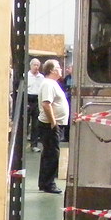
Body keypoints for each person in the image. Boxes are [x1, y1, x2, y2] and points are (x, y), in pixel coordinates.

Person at [37, 59, 68, 194]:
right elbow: (46, 104)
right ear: (52, 70)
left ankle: (45, 182)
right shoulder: (49, 84)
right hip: (50, 125)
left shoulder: (52, 83)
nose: (60, 69)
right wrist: (53, 122)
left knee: (49, 153)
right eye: (58, 67)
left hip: (52, 124)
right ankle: (49, 184)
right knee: (52, 154)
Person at [26, 58, 44, 151]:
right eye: (34, 65)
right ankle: (22, 144)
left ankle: (34, 145)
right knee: (25, 123)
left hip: (37, 101)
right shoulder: (26, 76)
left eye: (38, 65)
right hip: (28, 100)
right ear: (31, 65)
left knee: (36, 124)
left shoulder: (41, 77)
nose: (36, 67)